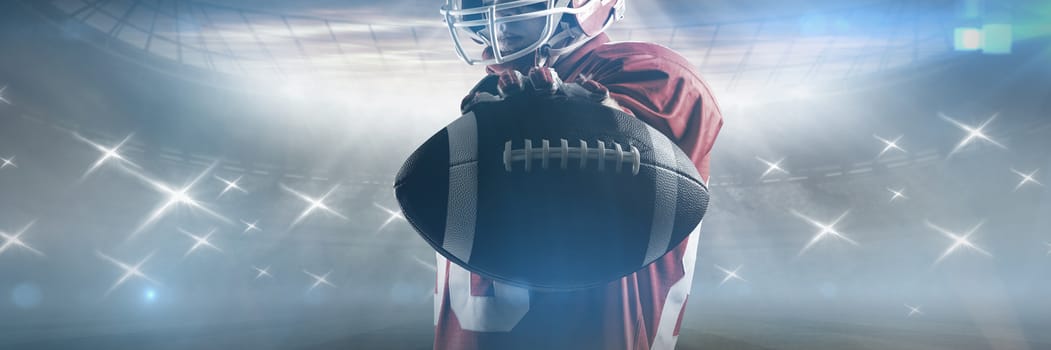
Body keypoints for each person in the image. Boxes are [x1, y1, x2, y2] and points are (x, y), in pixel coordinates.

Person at [433, 0, 723, 348]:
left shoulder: (653, 74)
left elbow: (637, 157)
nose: (495, 20)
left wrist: (605, 121)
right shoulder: (492, 95)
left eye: (514, 5)